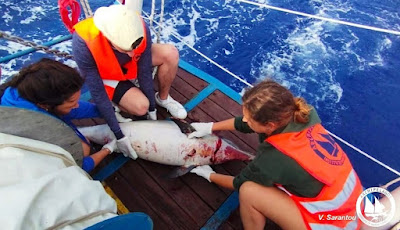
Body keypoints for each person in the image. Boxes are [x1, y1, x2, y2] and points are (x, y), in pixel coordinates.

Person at [188, 79, 363, 229]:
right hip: (355, 201)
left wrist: (208, 174)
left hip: (336, 222)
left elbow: (238, 183)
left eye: (249, 118)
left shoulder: (274, 158)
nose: (245, 120)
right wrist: (210, 126)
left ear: (271, 126)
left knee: (248, 191)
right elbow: (246, 124)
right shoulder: (303, 112)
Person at [72, 4, 187, 159]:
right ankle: (116, 104)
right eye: (126, 49)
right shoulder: (83, 42)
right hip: (107, 76)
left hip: (127, 68)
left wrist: (152, 108)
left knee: (170, 53)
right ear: (109, 39)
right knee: (141, 107)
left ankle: (163, 98)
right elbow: (97, 92)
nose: (133, 53)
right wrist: (119, 135)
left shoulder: (137, 25)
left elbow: (144, 70)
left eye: (134, 48)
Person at [0, 58, 117, 172]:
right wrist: (108, 149)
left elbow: (74, 109)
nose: (76, 105)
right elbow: (77, 166)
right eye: (71, 102)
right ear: (45, 105)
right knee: (84, 150)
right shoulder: (39, 128)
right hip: (23, 162)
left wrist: (107, 111)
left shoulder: (26, 90)